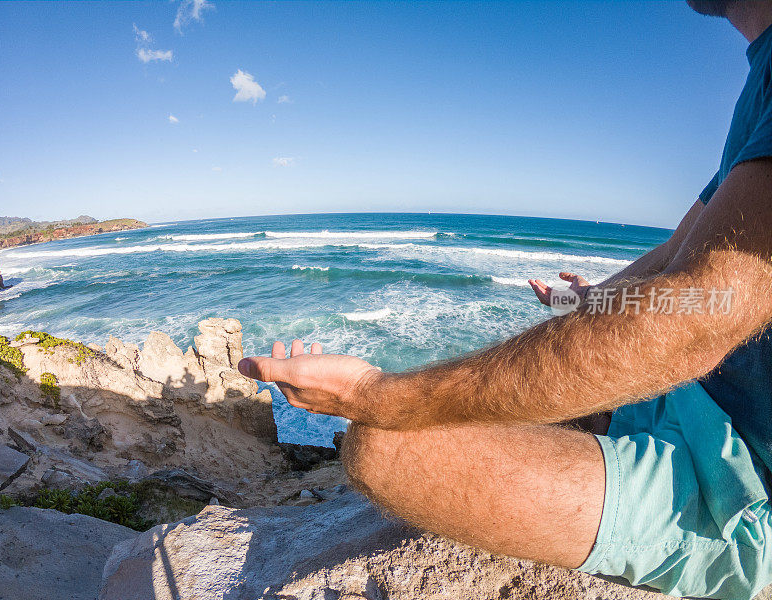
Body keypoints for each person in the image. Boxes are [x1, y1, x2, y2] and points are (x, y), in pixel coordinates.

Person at [238, 2, 772, 597]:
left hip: (744, 484)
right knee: (490, 403)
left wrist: (374, 394)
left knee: (386, 444)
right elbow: (675, 260)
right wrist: (583, 306)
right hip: (690, 401)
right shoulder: (761, 74)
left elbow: (701, 312)